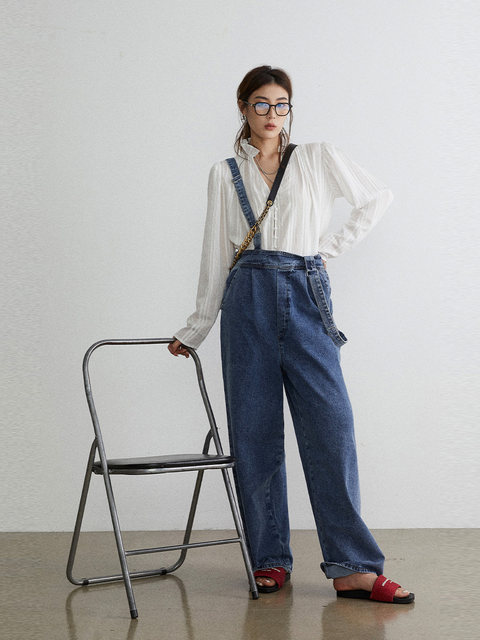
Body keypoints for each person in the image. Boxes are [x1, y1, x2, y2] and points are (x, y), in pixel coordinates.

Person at [168, 65, 414, 604]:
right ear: (243, 108)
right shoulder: (224, 173)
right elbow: (215, 252)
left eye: (281, 105)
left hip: (306, 292)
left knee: (331, 428)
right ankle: (269, 559)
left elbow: (376, 197)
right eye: (261, 104)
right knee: (254, 435)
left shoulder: (317, 158)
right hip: (246, 301)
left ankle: (353, 567)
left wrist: (325, 252)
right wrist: (198, 326)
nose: (272, 114)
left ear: (290, 110)